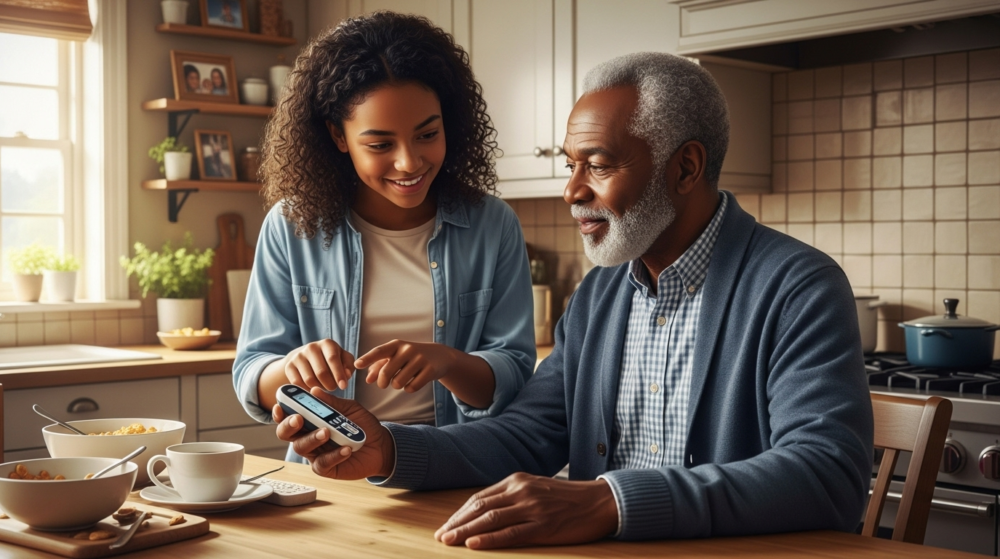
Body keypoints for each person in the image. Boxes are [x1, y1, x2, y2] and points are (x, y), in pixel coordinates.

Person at [274, 52, 874, 549]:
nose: (572, 190)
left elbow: (827, 473)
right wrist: (389, 450)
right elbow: (527, 434)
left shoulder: (797, 285)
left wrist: (609, 501)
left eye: (600, 165)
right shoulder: (603, 291)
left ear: (685, 167)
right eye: (570, 164)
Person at [233, 12, 536, 466]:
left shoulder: (493, 225)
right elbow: (252, 373)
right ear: (339, 136)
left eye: (427, 135)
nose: (409, 162)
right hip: (331, 473)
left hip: (452, 468)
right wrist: (288, 368)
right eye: (380, 145)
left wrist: (449, 363)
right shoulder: (292, 225)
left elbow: (512, 373)